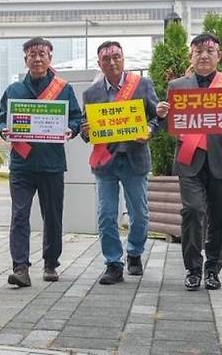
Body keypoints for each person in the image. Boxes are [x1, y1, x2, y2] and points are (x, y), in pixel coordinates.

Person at [155, 32, 222, 291]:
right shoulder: (177, 86)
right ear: (191, 55)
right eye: (198, 51)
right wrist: (162, 115)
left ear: (219, 55)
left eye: (210, 51)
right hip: (190, 160)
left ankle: (213, 269)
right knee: (193, 210)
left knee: (219, 217)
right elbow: (169, 124)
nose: (204, 55)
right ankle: (192, 268)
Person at [0, 37, 82, 287]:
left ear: (49, 58)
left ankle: (50, 263)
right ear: (25, 59)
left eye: (42, 54)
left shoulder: (63, 89)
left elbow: (76, 118)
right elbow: (2, 120)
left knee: (53, 216)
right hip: (22, 164)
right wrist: (5, 130)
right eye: (32, 55)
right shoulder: (13, 90)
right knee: (20, 215)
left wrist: (71, 129)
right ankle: (20, 267)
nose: (37, 58)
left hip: (52, 163)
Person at [80, 41, 159, 285]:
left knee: (139, 213)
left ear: (123, 59)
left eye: (116, 57)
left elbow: (157, 117)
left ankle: (134, 251)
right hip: (106, 161)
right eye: (106, 59)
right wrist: (86, 130)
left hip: (135, 158)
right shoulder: (91, 93)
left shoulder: (142, 85)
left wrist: (149, 130)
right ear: (99, 63)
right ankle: (113, 263)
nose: (112, 62)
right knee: (106, 214)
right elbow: (86, 131)